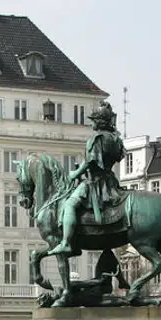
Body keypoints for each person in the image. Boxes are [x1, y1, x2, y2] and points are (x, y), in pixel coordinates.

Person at [46, 101, 124, 257]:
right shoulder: (115, 139)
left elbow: (90, 161)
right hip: (111, 181)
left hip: (94, 183)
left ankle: (66, 243)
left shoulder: (97, 138)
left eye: (93, 120)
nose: (91, 123)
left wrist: (75, 173)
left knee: (69, 204)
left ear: (99, 121)